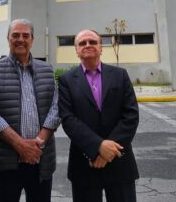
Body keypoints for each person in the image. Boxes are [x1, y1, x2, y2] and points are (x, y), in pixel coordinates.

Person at [0, 18, 60, 202]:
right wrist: (20, 145)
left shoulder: (47, 70)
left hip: (40, 159)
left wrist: (37, 143)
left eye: (25, 35)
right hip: (5, 162)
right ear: (8, 38)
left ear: (32, 39)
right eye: (15, 35)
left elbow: (56, 108)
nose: (20, 39)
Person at [58, 29, 140, 202]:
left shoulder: (120, 75)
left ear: (101, 48)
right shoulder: (66, 80)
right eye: (82, 43)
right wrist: (97, 147)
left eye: (93, 42)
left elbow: (130, 115)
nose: (88, 45)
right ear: (76, 50)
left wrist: (107, 152)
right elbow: (68, 119)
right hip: (84, 163)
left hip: (119, 161)